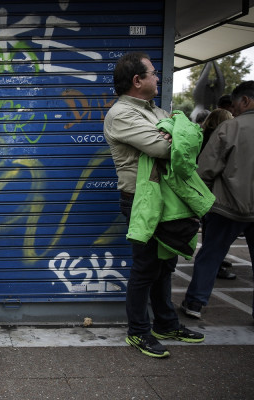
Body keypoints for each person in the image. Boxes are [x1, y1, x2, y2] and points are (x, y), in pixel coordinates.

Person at [103, 52, 204, 358]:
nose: (158, 78)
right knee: (146, 268)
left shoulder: (154, 110)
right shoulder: (122, 114)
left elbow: (191, 136)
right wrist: (176, 131)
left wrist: (179, 131)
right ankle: (138, 332)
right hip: (141, 200)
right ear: (137, 80)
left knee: (165, 265)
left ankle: (166, 323)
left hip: (166, 198)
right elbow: (165, 146)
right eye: (153, 73)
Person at [181, 81, 254, 319]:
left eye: (234, 105)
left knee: (211, 256)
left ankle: (195, 303)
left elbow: (205, 171)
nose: (233, 111)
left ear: (245, 101)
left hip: (226, 207)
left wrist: (202, 204)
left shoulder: (230, 128)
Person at [198, 109, 237, 280]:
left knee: (211, 234)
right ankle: (218, 266)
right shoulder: (220, 137)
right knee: (215, 239)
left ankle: (216, 263)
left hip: (207, 192)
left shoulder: (203, 135)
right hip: (219, 194)